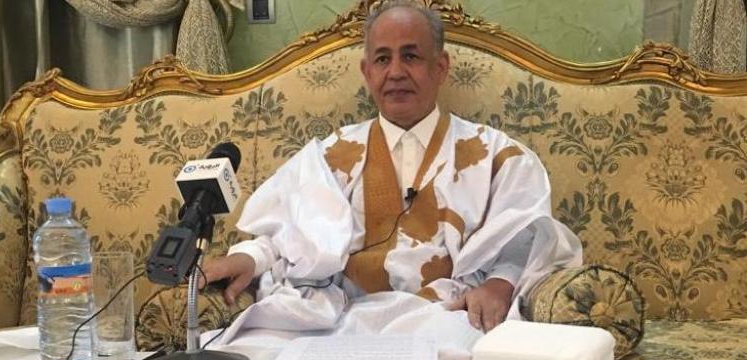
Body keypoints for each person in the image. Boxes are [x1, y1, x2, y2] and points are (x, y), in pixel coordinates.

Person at [200, 1, 581, 333]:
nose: (396, 72)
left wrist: (500, 283)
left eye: (411, 56)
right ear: (368, 72)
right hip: (335, 322)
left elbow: (526, 239)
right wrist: (249, 258)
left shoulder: (497, 155)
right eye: (383, 59)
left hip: (449, 320)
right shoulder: (333, 155)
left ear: (440, 67)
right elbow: (284, 233)